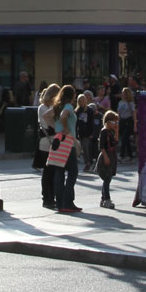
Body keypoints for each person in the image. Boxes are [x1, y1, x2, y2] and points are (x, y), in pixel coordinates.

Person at [50, 84, 80, 212]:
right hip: (68, 141)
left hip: (58, 139)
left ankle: (59, 202)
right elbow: (63, 116)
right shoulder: (68, 106)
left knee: (59, 171)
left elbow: (45, 116)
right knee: (73, 171)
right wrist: (66, 129)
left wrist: (57, 129)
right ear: (71, 95)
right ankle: (67, 202)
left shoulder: (57, 106)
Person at [35, 82, 60, 197]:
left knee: (52, 171)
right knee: (48, 170)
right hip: (47, 140)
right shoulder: (43, 108)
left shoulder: (49, 107)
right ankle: (47, 196)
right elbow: (48, 123)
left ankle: (51, 194)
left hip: (52, 139)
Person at [95, 110, 119, 209]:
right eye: (113, 121)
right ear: (108, 121)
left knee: (108, 178)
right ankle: (107, 199)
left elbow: (115, 142)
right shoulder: (104, 131)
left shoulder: (111, 131)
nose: (115, 124)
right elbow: (101, 146)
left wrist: (117, 131)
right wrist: (105, 156)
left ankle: (103, 198)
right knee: (107, 178)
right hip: (106, 155)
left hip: (112, 155)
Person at [117, 86, 136, 160]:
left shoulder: (130, 103)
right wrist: (117, 121)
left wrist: (135, 124)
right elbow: (118, 112)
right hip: (122, 120)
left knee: (125, 137)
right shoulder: (120, 102)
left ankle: (122, 154)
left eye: (124, 93)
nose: (123, 95)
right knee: (125, 138)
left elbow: (133, 113)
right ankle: (130, 154)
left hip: (129, 120)